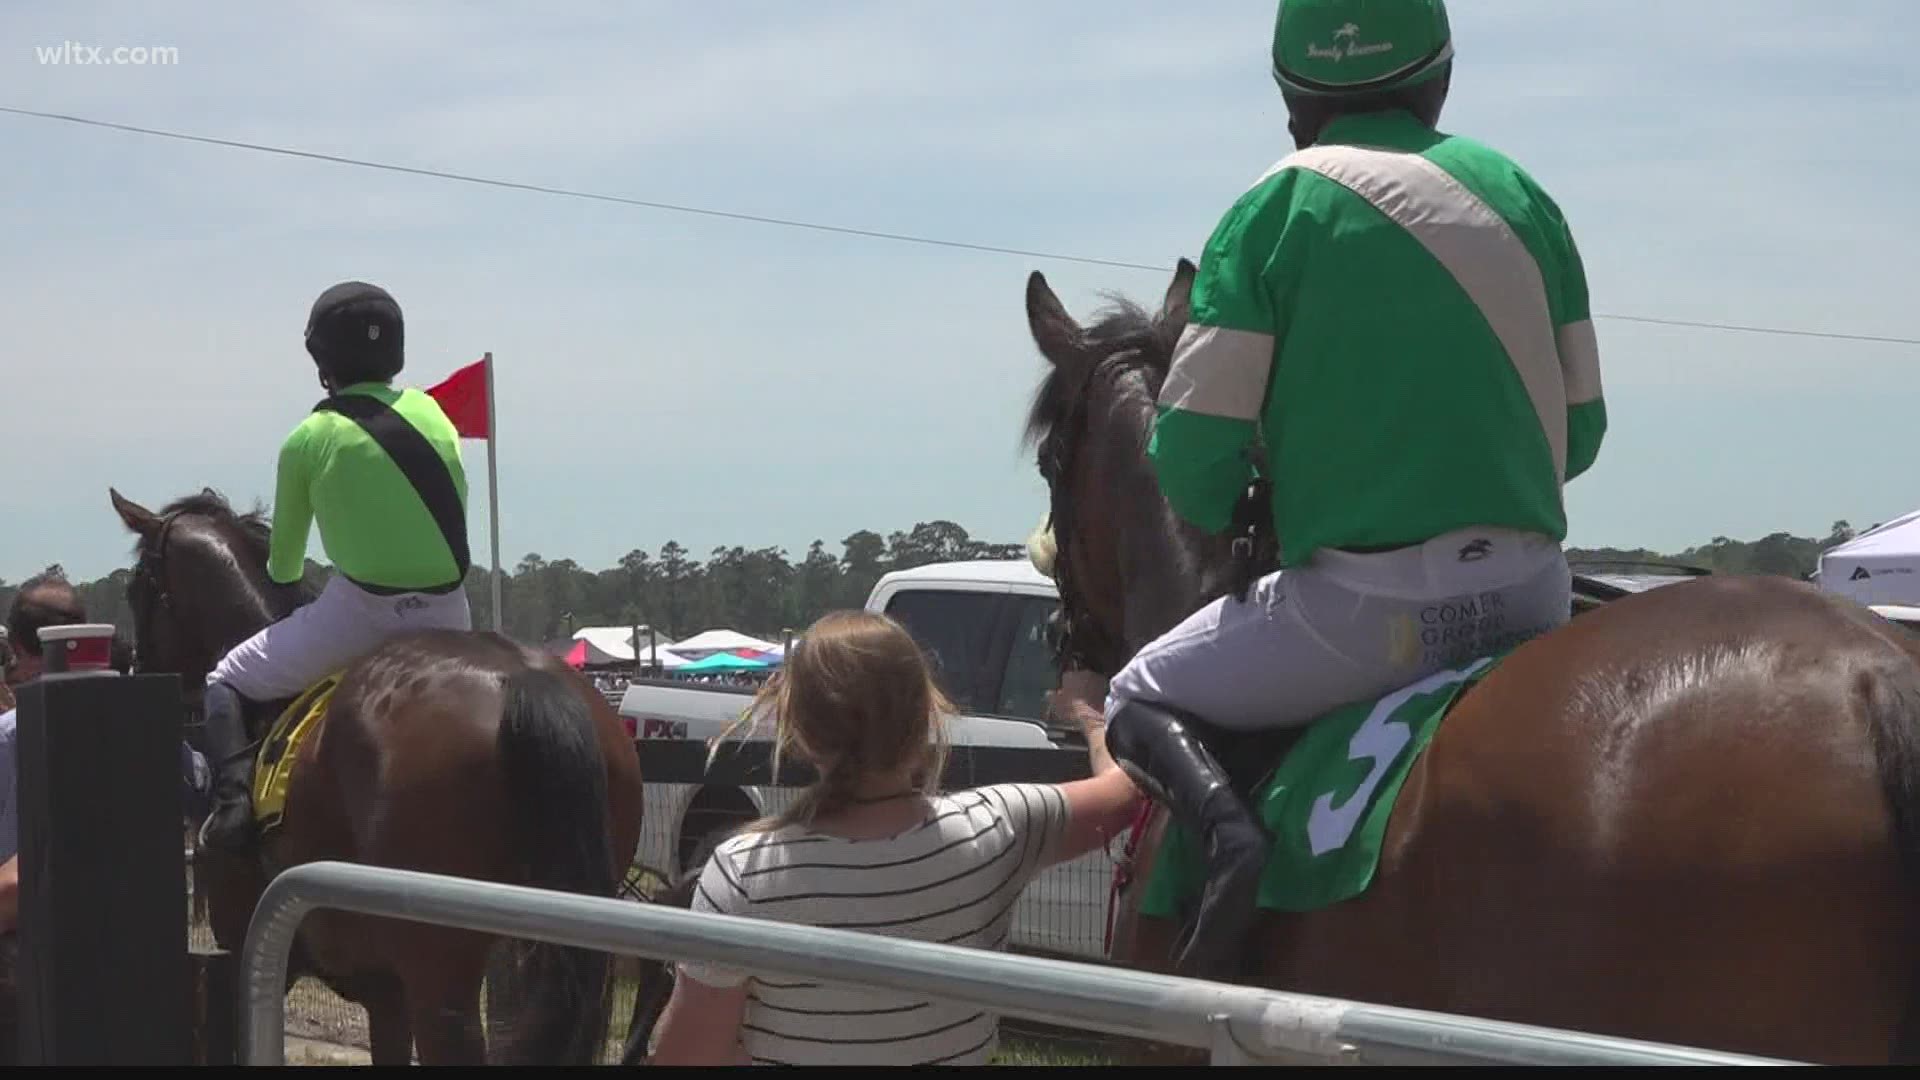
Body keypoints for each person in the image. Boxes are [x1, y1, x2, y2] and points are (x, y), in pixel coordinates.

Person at [1102, 0, 1607, 981]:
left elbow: (1194, 464)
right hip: (1533, 593)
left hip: (1364, 616)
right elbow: (1577, 437)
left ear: (1295, 103)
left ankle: (1233, 854)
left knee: (1135, 690)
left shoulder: (1275, 206)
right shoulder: (1520, 194)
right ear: (1440, 80)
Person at [645, 610, 1140, 1067]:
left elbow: (686, 1056)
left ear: (800, 729)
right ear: (927, 712)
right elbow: (1123, 794)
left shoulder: (745, 872)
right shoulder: (998, 826)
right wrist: (1091, 716)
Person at [196, 281, 474, 857]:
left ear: (323, 362)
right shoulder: (437, 415)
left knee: (223, 679)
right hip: (452, 614)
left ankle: (231, 812)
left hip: (364, 615)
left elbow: (284, 567)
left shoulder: (310, 436)